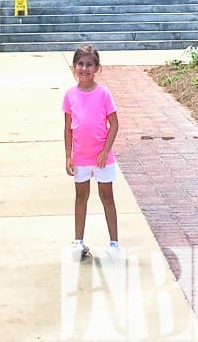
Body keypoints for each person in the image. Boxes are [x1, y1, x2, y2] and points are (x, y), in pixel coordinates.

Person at [63, 44, 120, 260]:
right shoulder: (70, 95)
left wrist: (106, 151)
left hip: (102, 158)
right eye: (80, 64)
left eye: (89, 64)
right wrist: (69, 155)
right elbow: (68, 128)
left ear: (96, 67)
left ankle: (114, 243)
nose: (84, 68)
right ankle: (78, 242)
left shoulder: (103, 93)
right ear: (74, 67)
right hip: (81, 157)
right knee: (81, 197)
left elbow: (114, 124)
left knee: (107, 197)